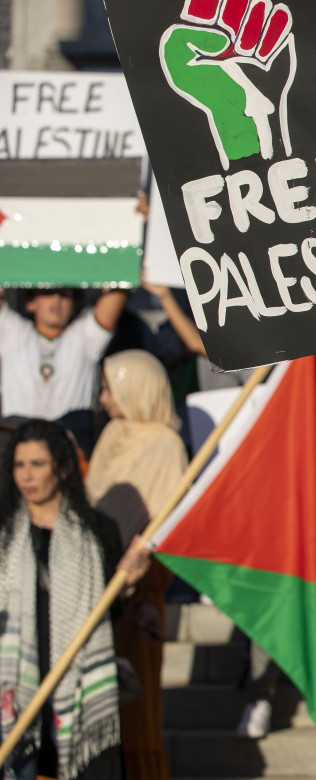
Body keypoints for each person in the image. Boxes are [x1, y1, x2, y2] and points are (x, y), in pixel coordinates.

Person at [0, 420, 151, 780]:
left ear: (63, 467)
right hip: (17, 686)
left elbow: (105, 617)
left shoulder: (98, 532)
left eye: (37, 464)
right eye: (20, 465)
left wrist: (125, 585)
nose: (27, 475)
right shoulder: (4, 535)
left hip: (78, 680)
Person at [86, 350, 189, 780]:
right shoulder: (112, 434)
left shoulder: (166, 446)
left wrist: (136, 572)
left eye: (111, 389)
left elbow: (167, 526)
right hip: (92, 581)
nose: (105, 399)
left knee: (137, 703)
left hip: (138, 590)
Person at [0, 288, 129, 454]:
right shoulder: (12, 332)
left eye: (64, 294)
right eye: (47, 292)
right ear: (30, 303)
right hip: (17, 444)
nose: (56, 299)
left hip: (69, 448)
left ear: (74, 305)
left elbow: (121, 285)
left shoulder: (84, 336)